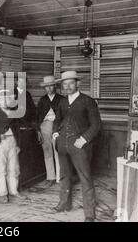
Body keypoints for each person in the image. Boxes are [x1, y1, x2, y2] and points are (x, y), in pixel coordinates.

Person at [52, 71, 101, 222]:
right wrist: (55, 132)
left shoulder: (88, 101)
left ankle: (89, 213)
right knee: (64, 175)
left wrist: (84, 139)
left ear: (77, 84)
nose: (67, 86)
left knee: (85, 177)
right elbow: (57, 120)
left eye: (71, 83)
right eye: (64, 84)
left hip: (79, 146)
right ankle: (64, 203)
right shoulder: (62, 102)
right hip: (62, 145)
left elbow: (96, 124)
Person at [0, 89, 27, 203]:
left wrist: (18, 144)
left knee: (14, 168)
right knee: (2, 168)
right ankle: (3, 193)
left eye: (7, 99)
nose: (5, 101)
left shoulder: (14, 113)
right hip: (1, 143)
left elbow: (17, 130)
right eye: (2, 99)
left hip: (13, 142)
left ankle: (14, 191)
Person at [36, 76, 64, 187]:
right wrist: (38, 130)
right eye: (47, 86)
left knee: (59, 152)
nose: (49, 88)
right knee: (47, 152)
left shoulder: (62, 99)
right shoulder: (42, 100)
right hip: (45, 127)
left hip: (58, 127)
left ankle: (60, 177)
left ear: (55, 86)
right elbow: (37, 117)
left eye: (51, 86)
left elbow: (65, 116)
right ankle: (50, 177)